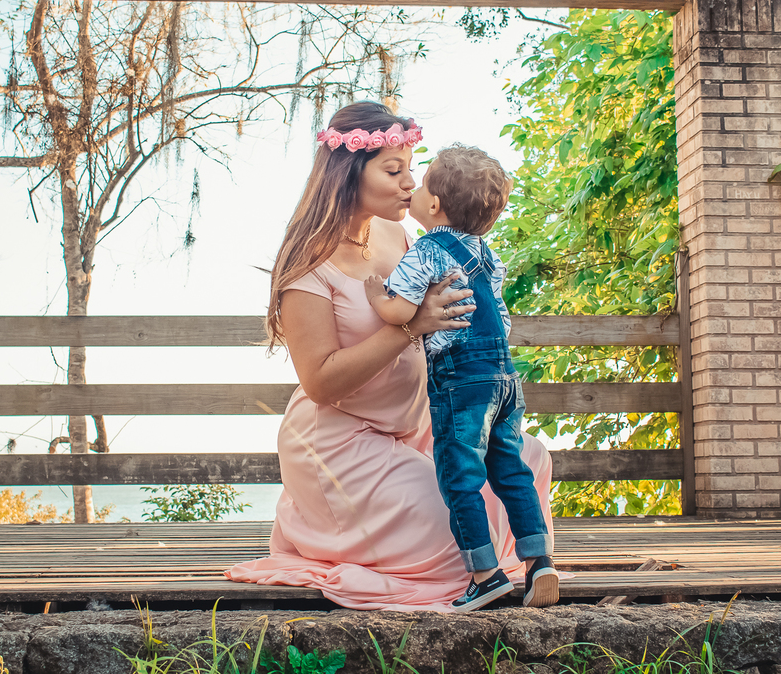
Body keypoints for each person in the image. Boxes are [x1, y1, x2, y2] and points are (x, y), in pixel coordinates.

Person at [226, 102, 556, 611]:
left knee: (529, 460)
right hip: (341, 440)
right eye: (393, 170)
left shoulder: (398, 235)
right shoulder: (308, 263)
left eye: (412, 170)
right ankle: (327, 524)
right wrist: (412, 326)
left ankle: (529, 567)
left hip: (416, 425)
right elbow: (321, 382)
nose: (410, 184)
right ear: (348, 174)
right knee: (454, 526)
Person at [363, 144, 559, 611]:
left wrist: (376, 295)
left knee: (459, 478)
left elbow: (402, 310)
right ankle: (539, 563)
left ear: (433, 205)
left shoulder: (429, 249)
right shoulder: (485, 255)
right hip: (505, 378)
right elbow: (504, 321)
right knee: (511, 470)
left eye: (421, 180)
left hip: (462, 382)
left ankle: (485, 574)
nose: (412, 185)